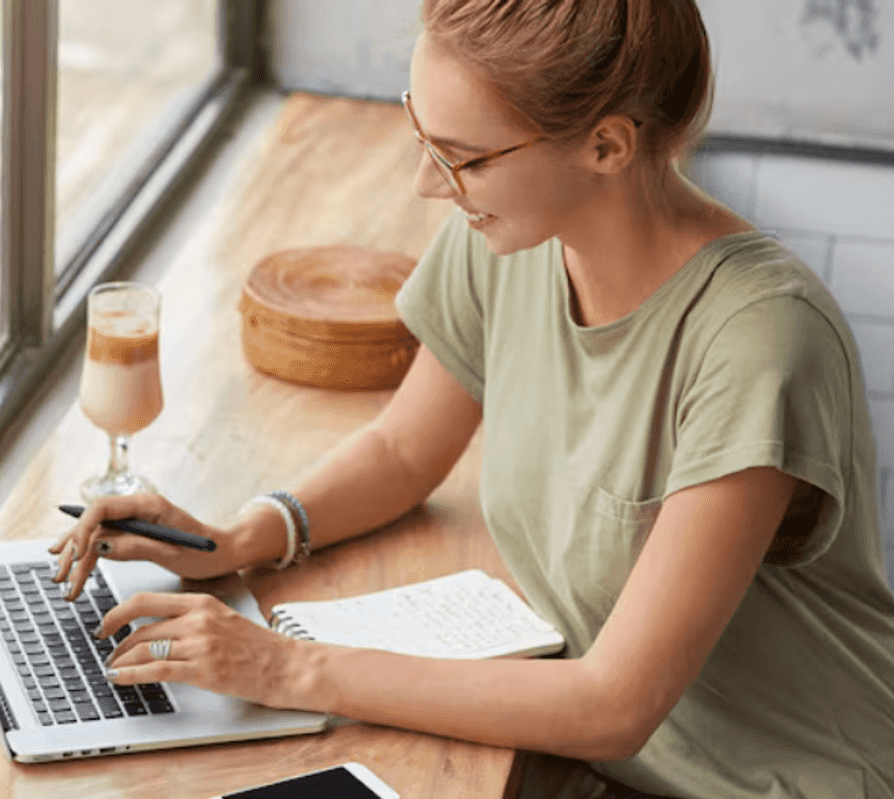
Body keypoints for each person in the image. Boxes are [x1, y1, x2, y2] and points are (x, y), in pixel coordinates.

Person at [50, 0, 894, 796]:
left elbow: (614, 704)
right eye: (423, 130)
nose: (426, 180)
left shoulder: (758, 338)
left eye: (461, 155)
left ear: (605, 145)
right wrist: (239, 537)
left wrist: (281, 666)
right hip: (603, 770)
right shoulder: (509, 239)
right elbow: (403, 450)